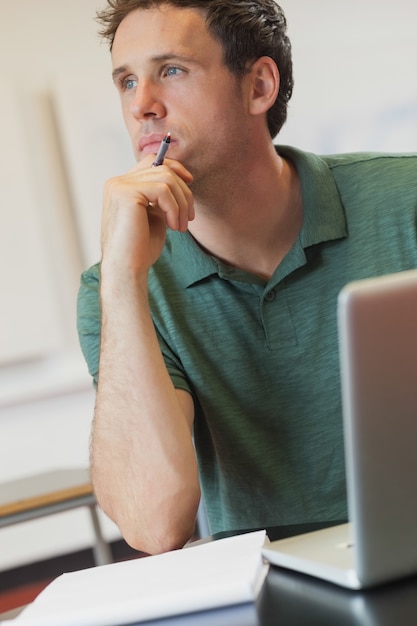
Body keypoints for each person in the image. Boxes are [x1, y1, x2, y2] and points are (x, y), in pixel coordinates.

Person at [77, 0, 417, 555]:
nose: (142, 105)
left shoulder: (407, 201)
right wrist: (120, 277)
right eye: (126, 81)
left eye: (172, 71)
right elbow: (154, 524)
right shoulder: (114, 291)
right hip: (271, 594)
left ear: (259, 85)